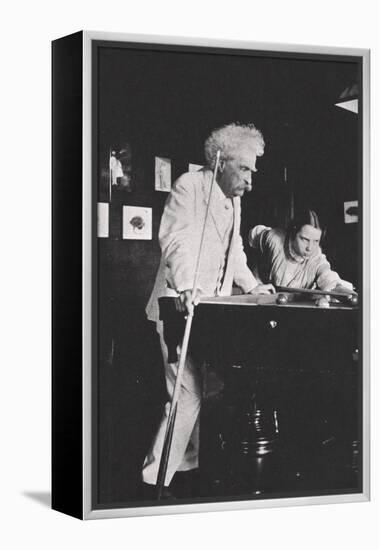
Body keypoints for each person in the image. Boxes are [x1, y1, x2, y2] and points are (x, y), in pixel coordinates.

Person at [142, 123, 274, 496]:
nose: (249, 180)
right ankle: (154, 480)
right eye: (244, 169)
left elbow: (235, 252)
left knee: (202, 389)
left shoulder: (234, 200)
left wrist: (251, 285)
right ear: (220, 161)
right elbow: (176, 240)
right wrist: (186, 286)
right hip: (177, 302)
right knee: (188, 392)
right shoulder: (190, 186)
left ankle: (187, 468)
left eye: (252, 172)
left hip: (209, 311)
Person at [248, 209, 354, 298]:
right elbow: (253, 235)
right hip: (258, 297)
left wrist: (345, 292)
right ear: (293, 233)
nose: (310, 248)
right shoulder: (274, 238)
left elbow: (328, 277)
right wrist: (252, 282)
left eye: (316, 241)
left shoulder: (317, 258)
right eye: (305, 239)